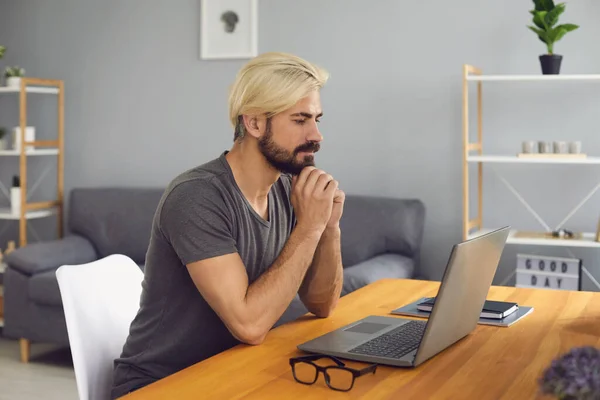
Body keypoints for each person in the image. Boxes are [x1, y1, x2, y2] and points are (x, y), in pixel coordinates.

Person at [110, 52, 344, 399]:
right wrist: (308, 228)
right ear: (253, 124)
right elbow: (248, 325)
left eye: (317, 120)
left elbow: (322, 305)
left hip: (235, 372)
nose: (316, 135)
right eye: (300, 120)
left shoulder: (289, 190)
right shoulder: (196, 196)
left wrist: (327, 227)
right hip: (162, 386)